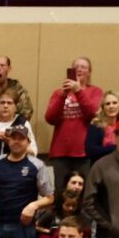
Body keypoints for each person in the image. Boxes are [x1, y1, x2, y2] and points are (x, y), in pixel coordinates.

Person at [44, 57, 103, 191]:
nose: (79, 69)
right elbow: (50, 118)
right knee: (61, 191)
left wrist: (78, 91)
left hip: (84, 151)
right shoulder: (58, 93)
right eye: (76, 67)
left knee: (83, 191)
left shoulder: (95, 91)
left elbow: (93, 114)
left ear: (89, 72)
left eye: (83, 67)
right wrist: (63, 95)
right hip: (60, 151)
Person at [85, 90, 119, 163]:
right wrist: (118, 148)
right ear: (103, 107)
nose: (111, 106)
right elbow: (91, 151)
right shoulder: (95, 125)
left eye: (114, 103)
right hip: (101, 165)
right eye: (107, 104)